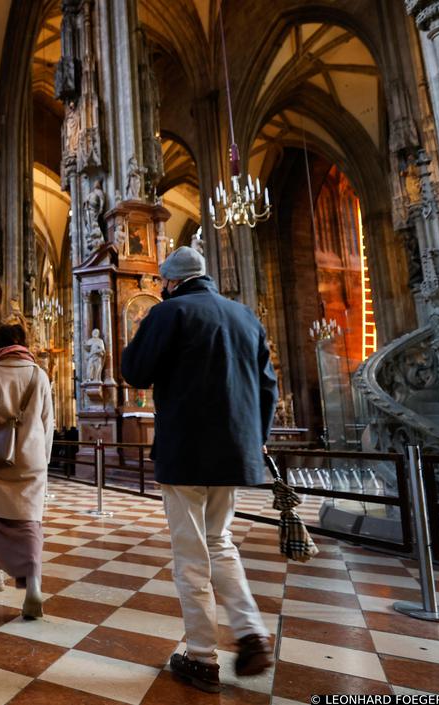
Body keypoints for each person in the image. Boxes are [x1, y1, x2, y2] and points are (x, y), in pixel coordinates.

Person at [121, 245, 278, 693]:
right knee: (219, 542)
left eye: (163, 283)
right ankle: (250, 633)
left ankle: (202, 658)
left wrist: (142, 332)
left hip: (186, 450)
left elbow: (135, 371)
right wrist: (256, 435)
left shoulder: (168, 313)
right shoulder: (244, 315)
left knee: (191, 554)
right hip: (233, 450)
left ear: (169, 282)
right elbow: (268, 385)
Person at [0, 324, 54, 620]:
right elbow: (47, 423)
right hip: (32, 460)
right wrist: (44, 459)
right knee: (31, 523)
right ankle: (34, 585)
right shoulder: (40, 375)